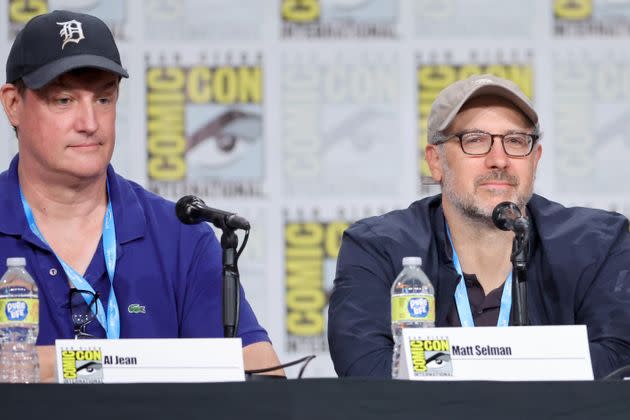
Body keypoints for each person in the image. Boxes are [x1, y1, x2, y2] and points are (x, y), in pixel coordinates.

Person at [0, 10, 282, 381]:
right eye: (64, 100)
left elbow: (266, 373)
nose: (89, 123)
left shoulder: (181, 233)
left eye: (103, 100)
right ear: (13, 104)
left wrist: (54, 365)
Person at [328, 74, 630, 379]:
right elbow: (365, 373)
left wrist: (446, 365)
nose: (498, 159)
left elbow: (618, 360)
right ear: (436, 161)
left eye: (515, 141)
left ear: (535, 159)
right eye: (474, 140)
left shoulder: (597, 244)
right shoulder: (379, 249)